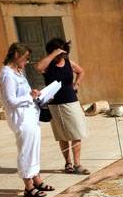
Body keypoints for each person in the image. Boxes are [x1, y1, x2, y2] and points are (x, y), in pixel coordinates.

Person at [0, 42, 54, 197]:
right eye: (25, 58)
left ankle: (37, 179)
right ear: (16, 55)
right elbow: (10, 101)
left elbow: (25, 93)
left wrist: (36, 94)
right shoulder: (6, 74)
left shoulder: (18, 72)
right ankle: (28, 186)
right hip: (21, 119)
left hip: (31, 116)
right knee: (26, 151)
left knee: (34, 149)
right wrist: (29, 96)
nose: (27, 61)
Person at [35, 38, 90, 175]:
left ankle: (77, 164)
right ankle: (68, 163)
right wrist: (53, 55)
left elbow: (81, 71)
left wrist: (76, 84)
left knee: (77, 132)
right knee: (62, 135)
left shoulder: (69, 63)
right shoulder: (48, 66)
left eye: (63, 52)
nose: (62, 55)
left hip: (71, 101)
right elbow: (38, 68)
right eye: (59, 52)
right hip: (55, 105)